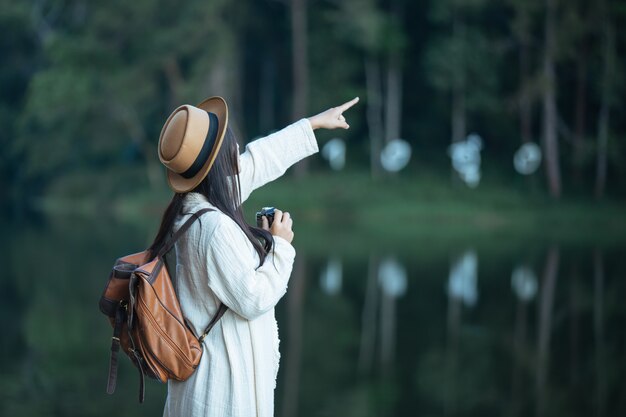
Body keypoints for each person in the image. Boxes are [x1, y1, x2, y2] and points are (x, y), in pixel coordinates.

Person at [151, 95, 359, 417]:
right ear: (219, 161)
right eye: (228, 142)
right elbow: (253, 299)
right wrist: (281, 246)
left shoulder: (191, 210)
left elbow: (258, 161)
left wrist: (313, 123)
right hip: (222, 391)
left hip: (202, 384)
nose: (236, 148)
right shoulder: (214, 226)